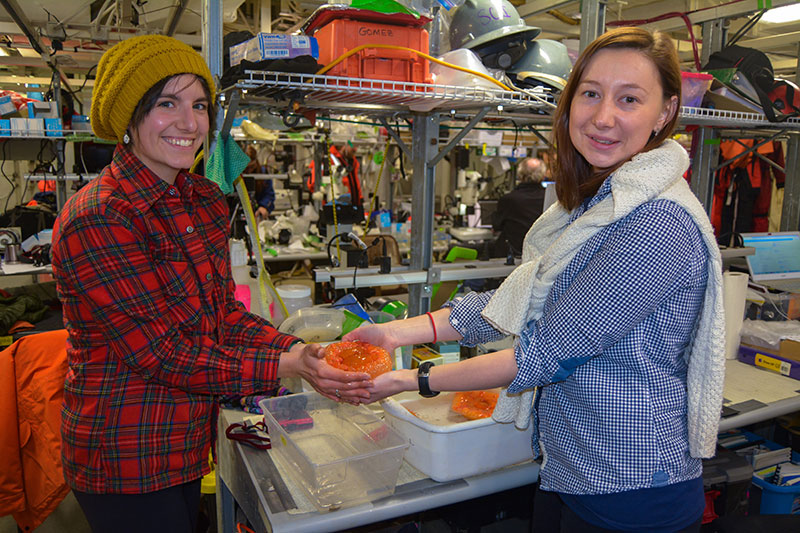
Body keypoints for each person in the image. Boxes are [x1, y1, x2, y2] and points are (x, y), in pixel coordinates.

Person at [347, 27, 725, 533]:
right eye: (590, 94)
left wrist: (409, 381)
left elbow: (542, 353)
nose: (603, 116)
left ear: (664, 113)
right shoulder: (593, 206)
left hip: (632, 488)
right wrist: (396, 333)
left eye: (629, 99)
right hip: (569, 469)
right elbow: (513, 303)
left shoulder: (654, 223)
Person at [50, 35, 371, 533]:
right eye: (166, 104)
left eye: (199, 105)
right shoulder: (100, 216)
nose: (189, 123)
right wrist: (285, 364)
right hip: (125, 452)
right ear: (128, 121)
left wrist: (301, 350)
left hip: (186, 440)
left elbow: (220, 314)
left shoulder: (200, 199)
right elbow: (160, 353)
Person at [492, 156, 548, 257]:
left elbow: (496, 226)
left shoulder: (509, 199)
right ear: (543, 176)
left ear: (520, 175)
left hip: (512, 255)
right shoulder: (551, 199)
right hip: (540, 255)